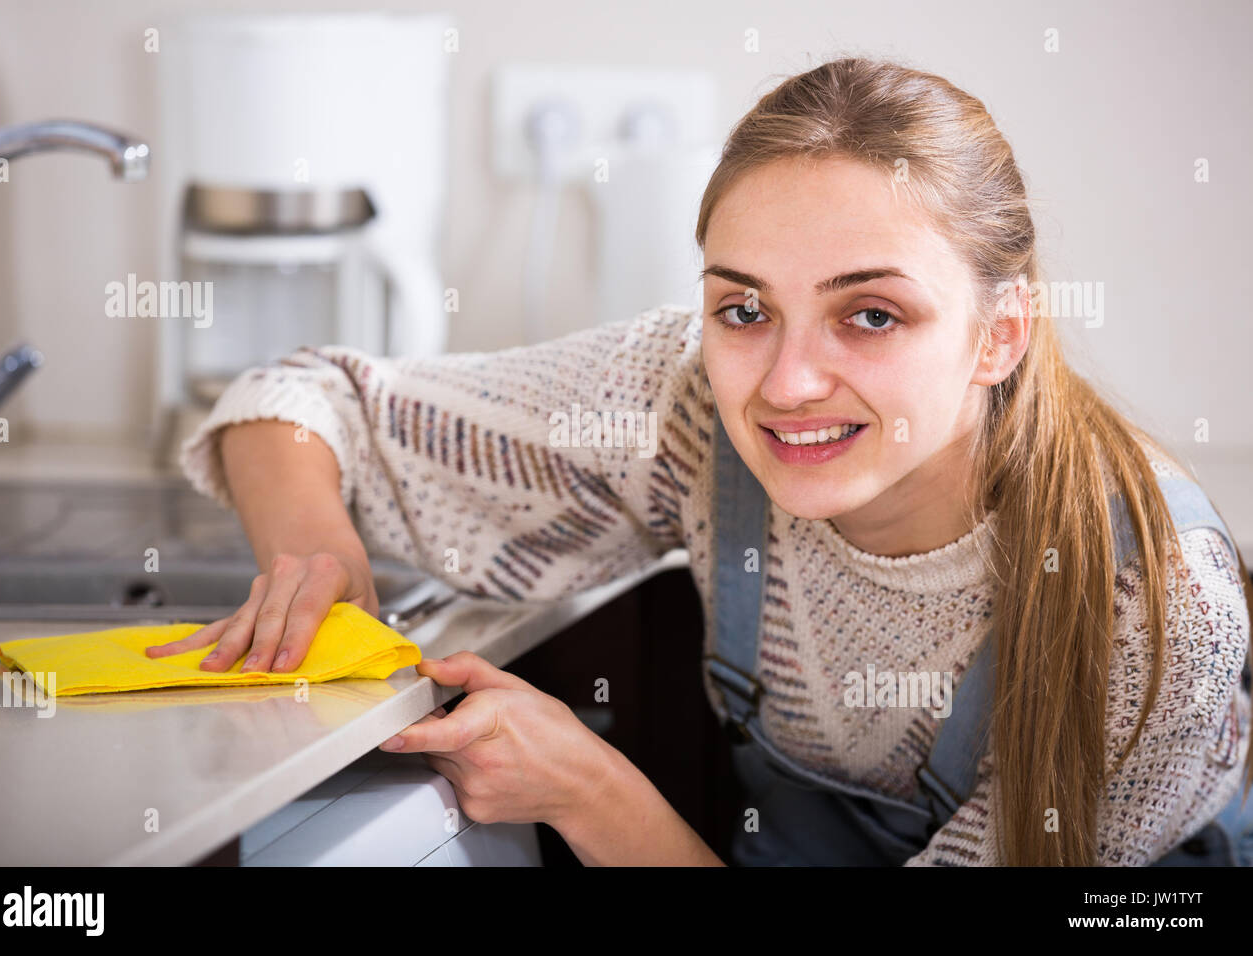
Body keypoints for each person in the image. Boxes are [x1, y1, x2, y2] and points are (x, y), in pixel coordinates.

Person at [150, 57, 1252, 867]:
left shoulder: (1153, 615)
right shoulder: (686, 399)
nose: (783, 382)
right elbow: (301, 397)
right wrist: (316, 553)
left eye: (869, 314)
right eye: (743, 307)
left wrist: (589, 792)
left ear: (1000, 333)